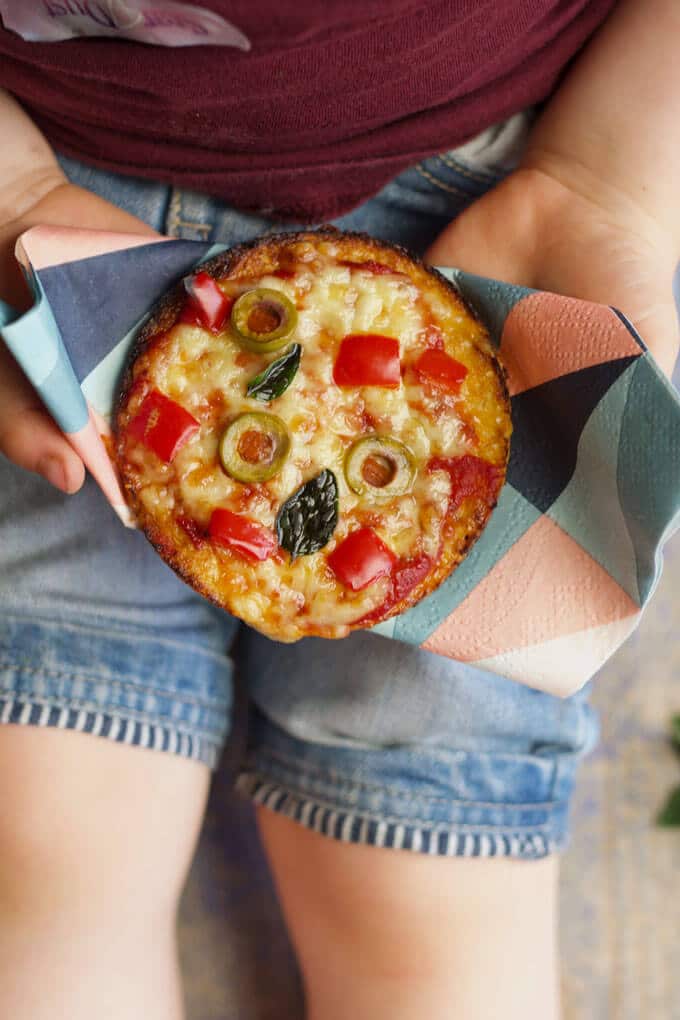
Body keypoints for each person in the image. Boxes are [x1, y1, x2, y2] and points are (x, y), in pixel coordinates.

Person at [0, 2, 677, 1018]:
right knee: (43, 845)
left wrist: (608, 183)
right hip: (44, 198)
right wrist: (10, 194)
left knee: (440, 928)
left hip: (518, 196)